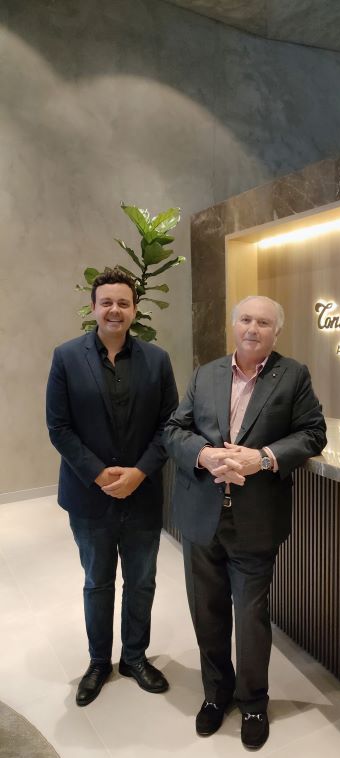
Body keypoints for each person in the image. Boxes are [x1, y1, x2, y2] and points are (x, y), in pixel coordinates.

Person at [164, 295, 326, 750]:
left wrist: (264, 458)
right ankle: (216, 694)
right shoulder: (206, 374)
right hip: (202, 513)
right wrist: (204, 454)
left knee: (251, 615)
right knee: (207, 610)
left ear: (278, 331)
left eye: (264, 322)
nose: (254, 328)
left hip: (255, 519)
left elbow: (313, 432)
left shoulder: (292, 375)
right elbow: (174, 430)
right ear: (234, 325)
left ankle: (253, 701)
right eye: (246, 320)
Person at [46, 267, 178, 706]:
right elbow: (59, 427)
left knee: (141, 581)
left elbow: (170, 426)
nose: (114, 310)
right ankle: (99, 661)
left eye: (123, 302)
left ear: (135, 309)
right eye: (107, 302)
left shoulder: (157, 360)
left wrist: (139, 472)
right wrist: (99, 474)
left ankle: (135, 658)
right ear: (93, 307)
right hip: (89, 496)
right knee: (98, 581)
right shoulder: (66, 357)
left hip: (143, 494)